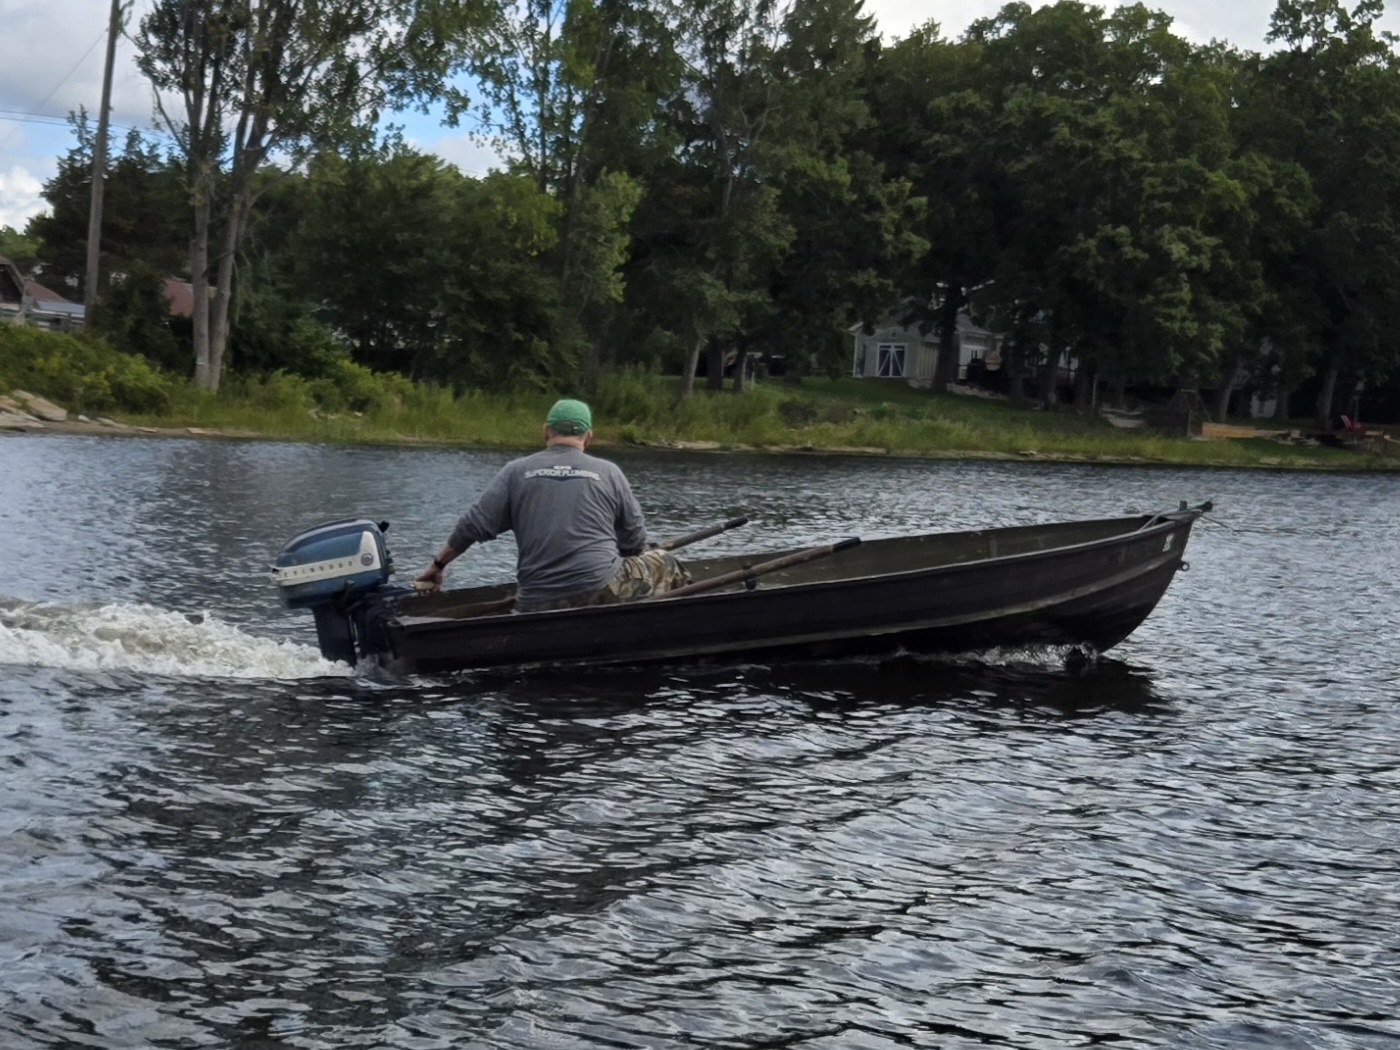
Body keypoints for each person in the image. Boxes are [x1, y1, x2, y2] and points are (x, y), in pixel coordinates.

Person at [416, 398, 691, 612]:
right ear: (589, 437)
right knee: (665, 562)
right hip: (599, 589)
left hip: (534, 600)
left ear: (546, 432)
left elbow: (471, 526)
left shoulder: (515, 471)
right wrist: (627, 556)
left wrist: (438, 565)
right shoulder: (609, 472)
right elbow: (634, 541)